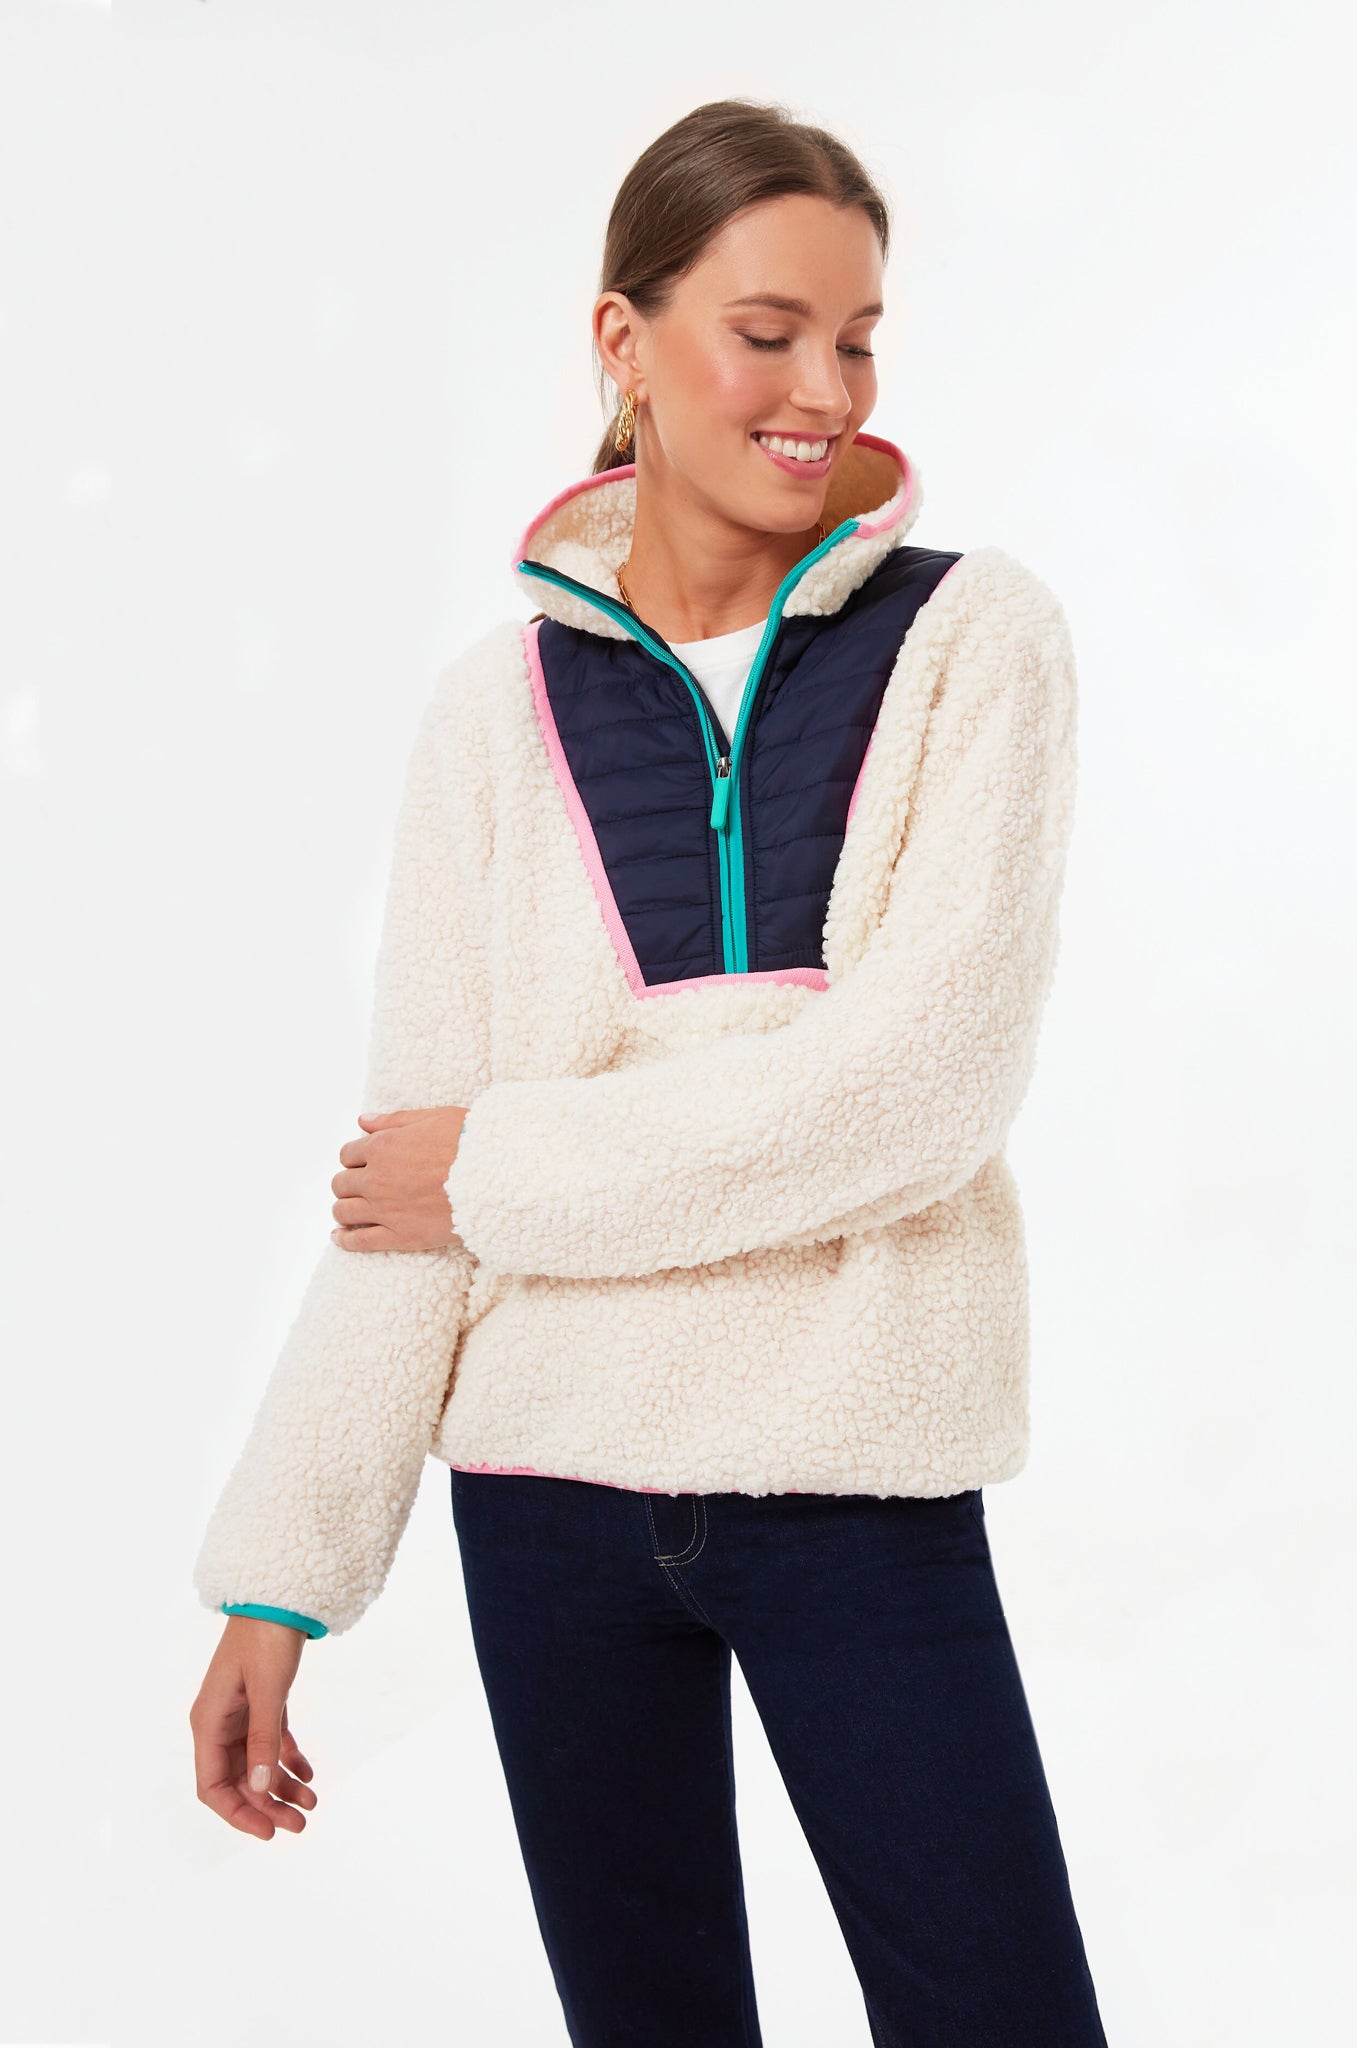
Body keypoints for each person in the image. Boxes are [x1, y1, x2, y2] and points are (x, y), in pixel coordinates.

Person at [190, 97, 1109, 2048]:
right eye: (766, 332)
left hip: (850, 1473)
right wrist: (283, 1577)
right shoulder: (490, 713)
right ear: (623, 340)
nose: (823, 387)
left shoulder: (972, 639)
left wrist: (500, 1168)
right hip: (541, 1499)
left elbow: (916, 1090)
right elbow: (399, 1188)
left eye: (854, 337)